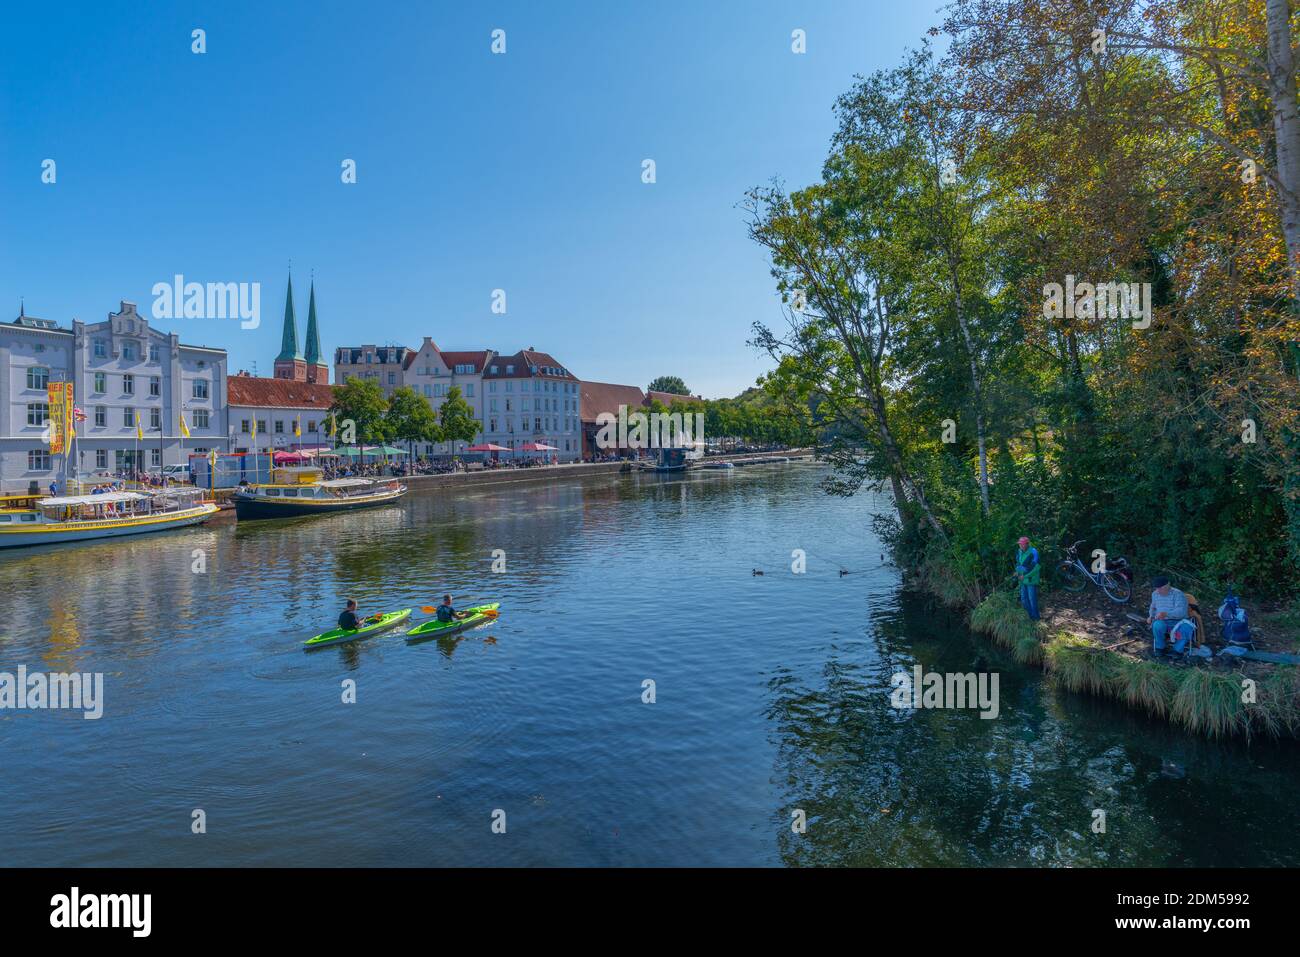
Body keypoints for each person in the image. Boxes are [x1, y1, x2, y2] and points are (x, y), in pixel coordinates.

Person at [1147, 576, 1189, 655]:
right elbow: (1153, 607)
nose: (1158, 591)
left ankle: (1177, 650)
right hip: (1162, 621)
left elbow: (1181, 612)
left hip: (1179, 621)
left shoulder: (1178, 594)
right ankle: (1160, 648)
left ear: (1168, 585)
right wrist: (1150, 616)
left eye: (1160, 588)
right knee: (1157, 625)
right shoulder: (1155, 594)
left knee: (1187, 628)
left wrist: (1167, 614)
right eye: (1156, 588)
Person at [1014, 535, 1041, 621]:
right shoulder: (1019, 552)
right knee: (1024, 600)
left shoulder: (1033, 552)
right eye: (1019, 544)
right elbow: (1018, 564)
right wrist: (1017, 572)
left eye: (1022, 544)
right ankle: (1029, 617)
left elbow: (1035, 568)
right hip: (1022, 580)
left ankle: (1036, 619)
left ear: (1027, 544)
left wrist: (1024, 576)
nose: (1020, 546)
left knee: (1032, 600)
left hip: (1031, 580)